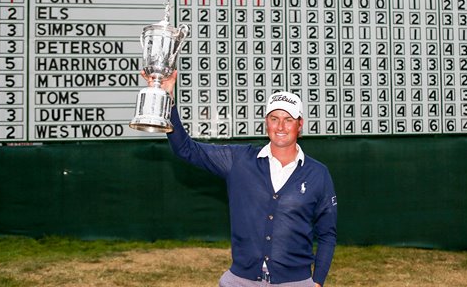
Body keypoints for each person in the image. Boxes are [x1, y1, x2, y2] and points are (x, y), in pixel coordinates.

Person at [145, 70, 338, 287]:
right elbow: (185, 148)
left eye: (288, 119)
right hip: (241, 280)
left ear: (299, 124)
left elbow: (327, 234)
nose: (281, 127)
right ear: (266, 123)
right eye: (274, 119)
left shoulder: (318, 173)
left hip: (295, 281)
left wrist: (318, 281)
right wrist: (167, 98)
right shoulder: (239, 160)